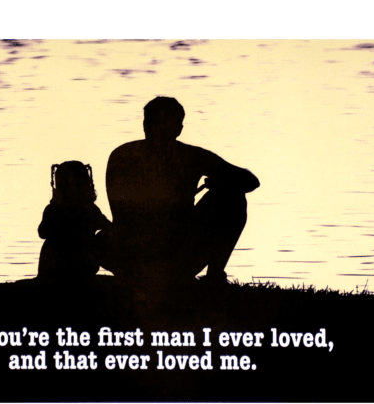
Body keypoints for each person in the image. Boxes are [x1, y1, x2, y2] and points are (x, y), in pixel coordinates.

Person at [99, 96, 259, 285]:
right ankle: (210, 276)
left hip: (150, 255)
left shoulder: (122, 154)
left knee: (233, 197)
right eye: (159, 123)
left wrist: (220, 184)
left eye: (166, 124)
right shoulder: (189, 156)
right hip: (154, 254)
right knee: (234, 197)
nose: (161, 131)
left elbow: (250, 181)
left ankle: (212, 276)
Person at [37, 161, 111, 281]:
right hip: (82, 268)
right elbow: (108, 227)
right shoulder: (89, 209)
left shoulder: (53, 209)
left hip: (52, 268)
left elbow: (42, 233)